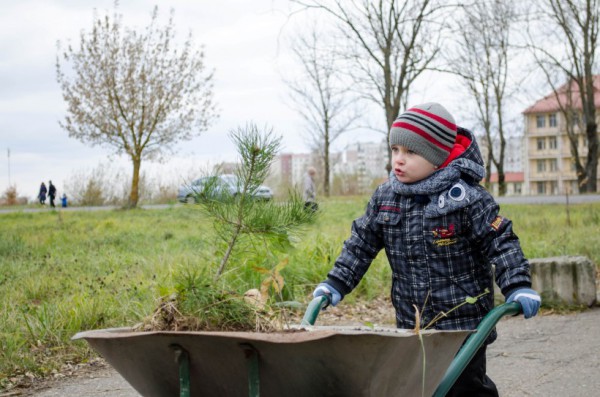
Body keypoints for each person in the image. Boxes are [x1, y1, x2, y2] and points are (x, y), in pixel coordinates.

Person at [312, 103, 541, 396]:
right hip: (413, 324)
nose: (399, 160)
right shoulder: (386, 196)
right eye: (395, 150)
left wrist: (518, 285)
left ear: (437, 158)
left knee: (465, 389)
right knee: (421, 387)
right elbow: (361, 244)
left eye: (410, 152)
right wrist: (335, 283)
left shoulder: (466, 198)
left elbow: (501, 241)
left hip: (464, 327)